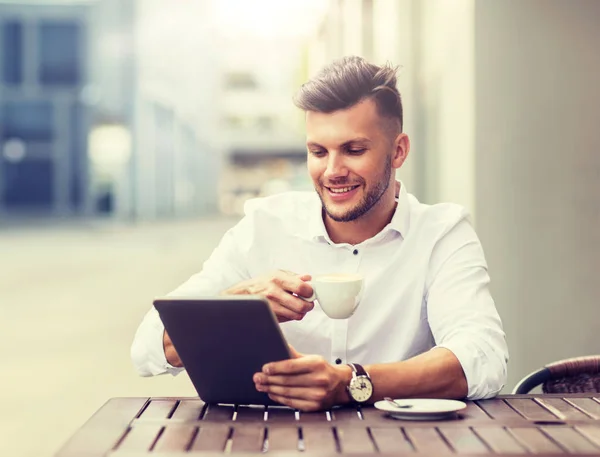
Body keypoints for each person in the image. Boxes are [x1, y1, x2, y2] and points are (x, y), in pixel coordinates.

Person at [131, 56, 508, 412]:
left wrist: (350, 382)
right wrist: (238, 300)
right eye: (318, 151)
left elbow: (482, 356)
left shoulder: (442, 233)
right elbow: (147, 348)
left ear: (398, 151)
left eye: (354, 150)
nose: (332, 171)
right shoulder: (264, 225)